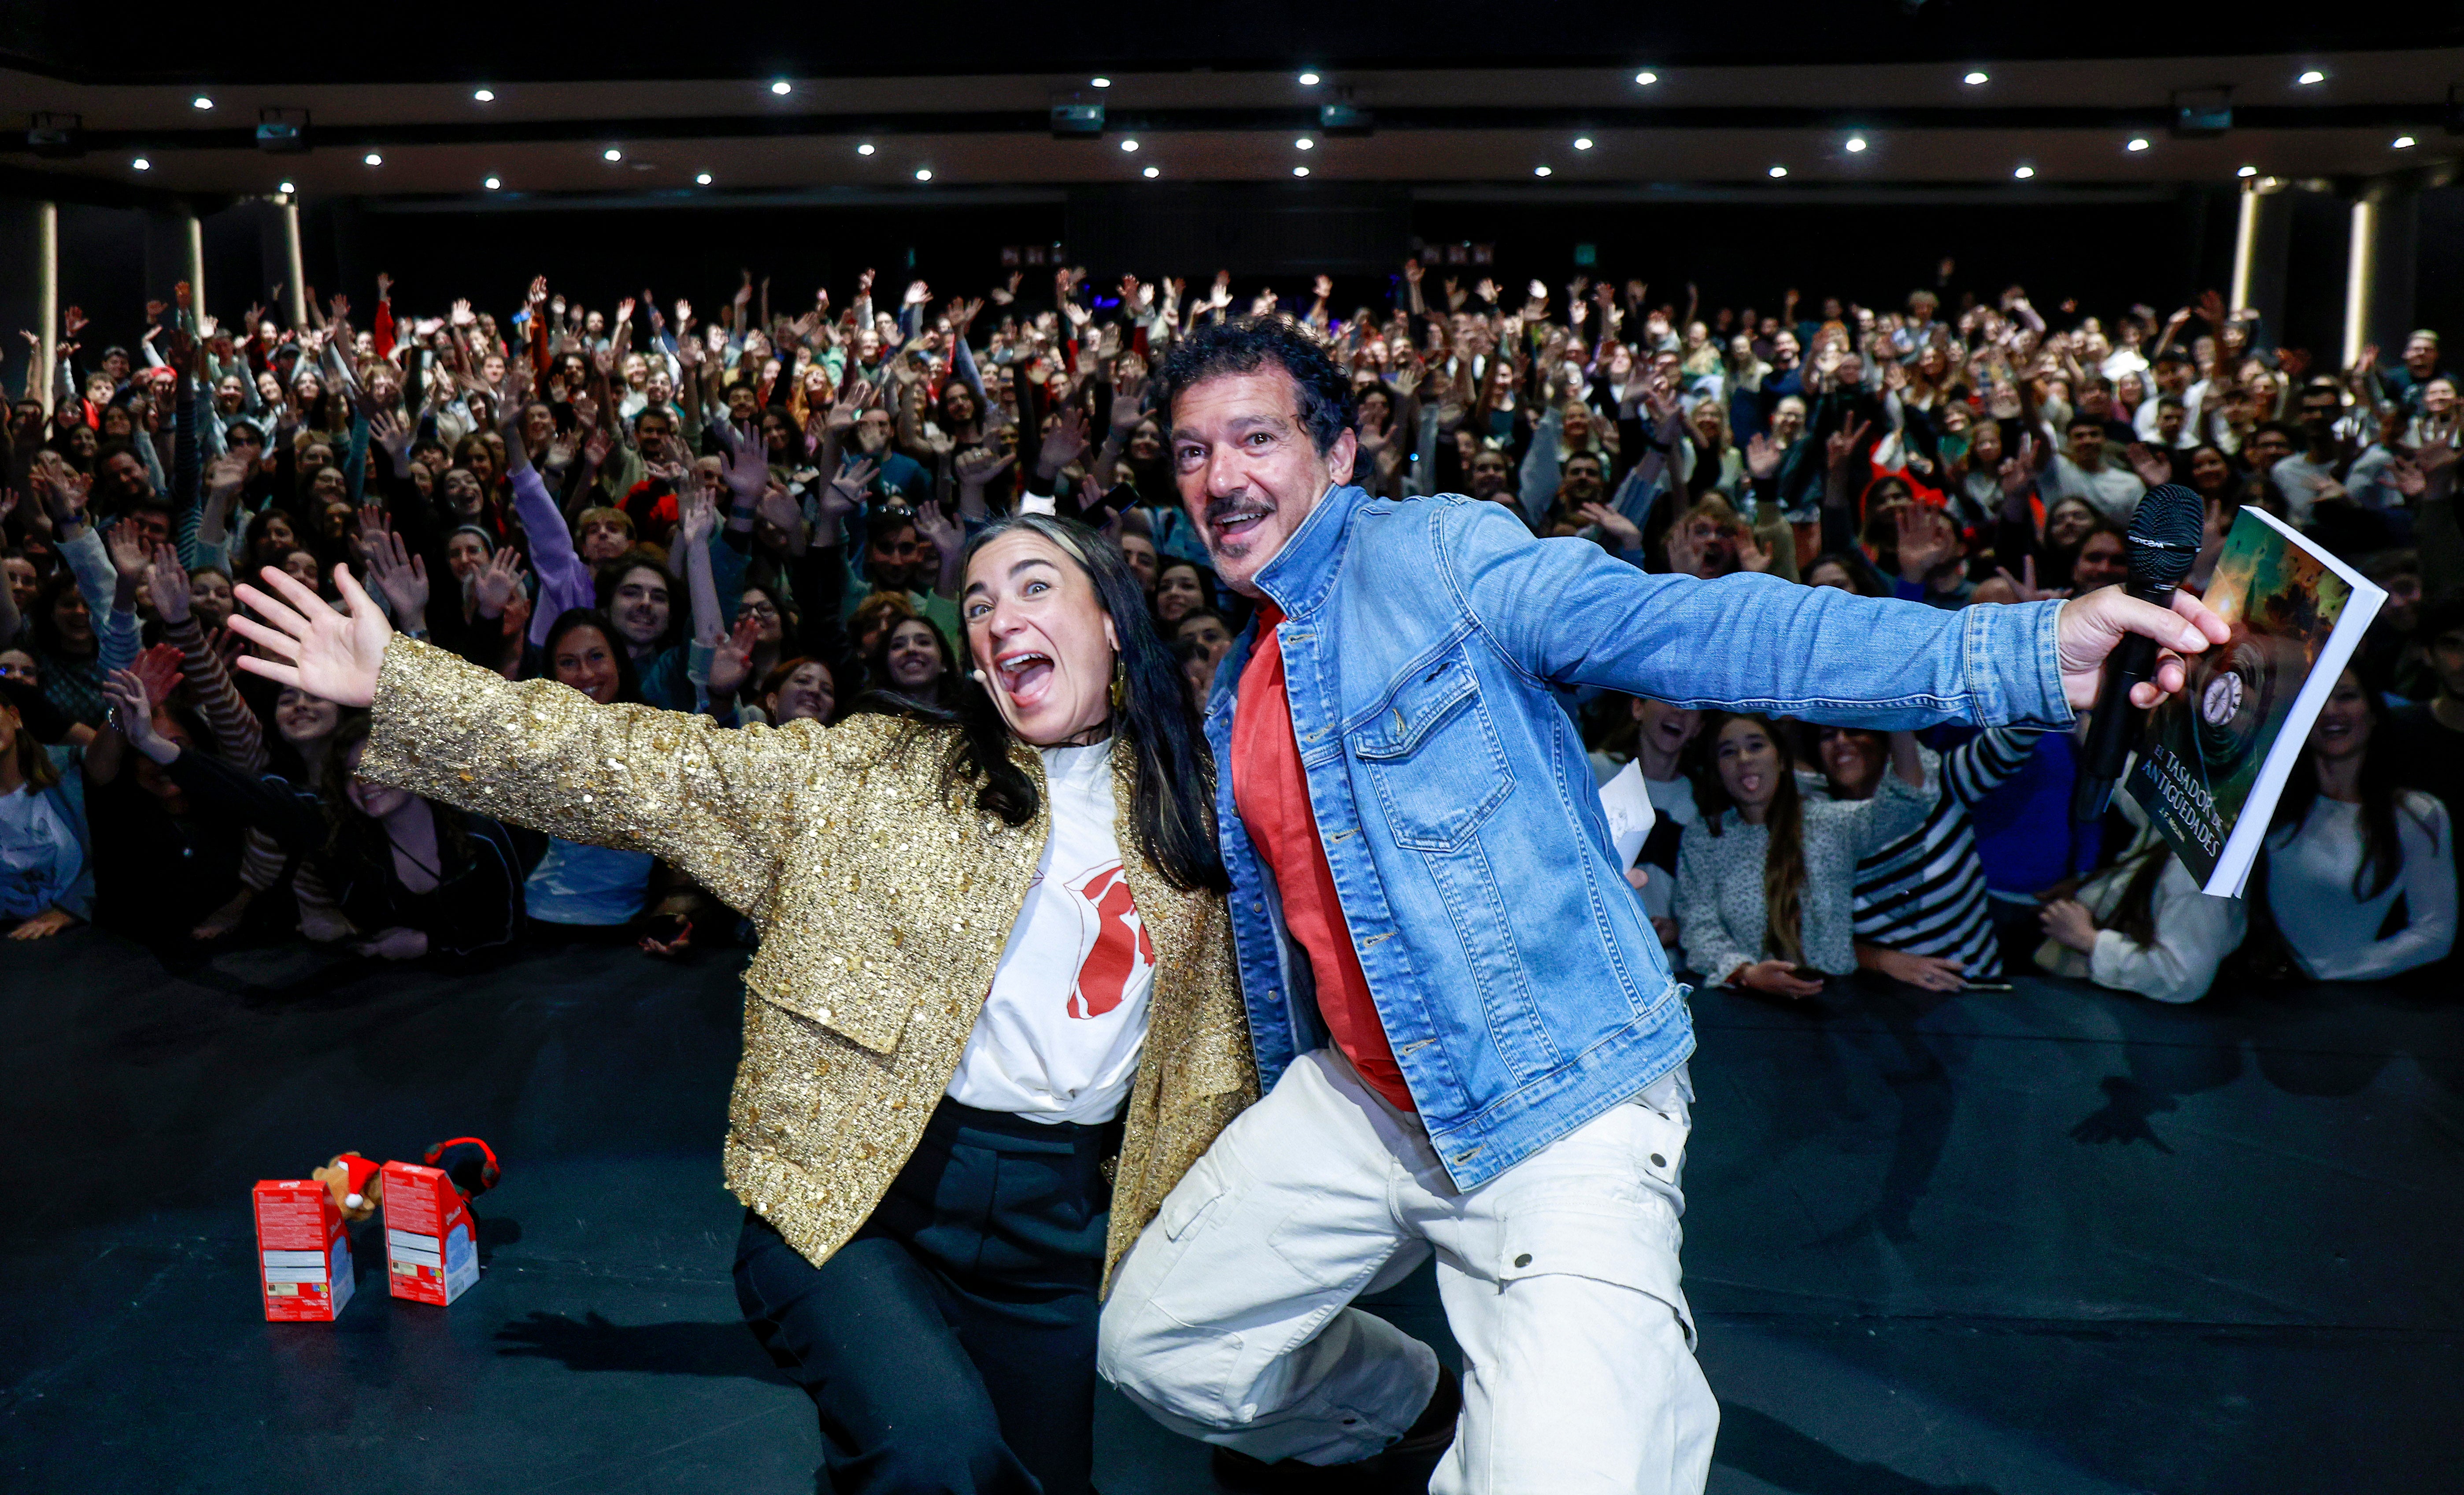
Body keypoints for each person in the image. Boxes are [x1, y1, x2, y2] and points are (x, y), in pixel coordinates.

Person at [1095, 315, 2225, 1495]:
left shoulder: (1443, 557)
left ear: (1336, 458)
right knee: (1162, 1348)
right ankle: (1414, 1407)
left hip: (1552, 1102)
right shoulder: (1243, 678)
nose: (1221, 477)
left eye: (1256, 438)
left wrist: (2029, 653)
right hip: (1370, 1101)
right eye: (1189, 452)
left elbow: (1702, 628)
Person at [226, 509, 1251, 1495]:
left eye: (1035, 586)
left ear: (1111, 618)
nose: (999, 616)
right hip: (859, 1194)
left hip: (1062, 1225)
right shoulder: (878, 773)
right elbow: (644, 768)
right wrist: (404, 684)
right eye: (978, 602)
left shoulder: (1200, 804)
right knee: (934, 1450)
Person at [1676, 714, 1931, 995]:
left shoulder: (1831, 824)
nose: (1744, 759)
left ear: (1783, 761)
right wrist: (1747, 973)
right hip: (1748, 1004)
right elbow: (1698, 925)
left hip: (1836, 1004)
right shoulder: (1705, 837)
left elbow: (1906, 804)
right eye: (1729, 752)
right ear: (1719, 770)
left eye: (1756, 746)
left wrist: (1899, 718)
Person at [2256, 669, 2455, 981]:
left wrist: (2322, 971)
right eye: (2317, 698)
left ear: (2375, 713)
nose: (2331, 711)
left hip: (2340, 1007)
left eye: (2347, 696)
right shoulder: (2263, 798)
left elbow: (2435, 931)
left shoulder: (2418, 815)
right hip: (2243, 997)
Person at [317, 715, 525, 961]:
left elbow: (513, 935)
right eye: (351, 773)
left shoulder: (480, 835)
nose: (362, 781)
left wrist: (427, 945)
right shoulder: (353, 851)